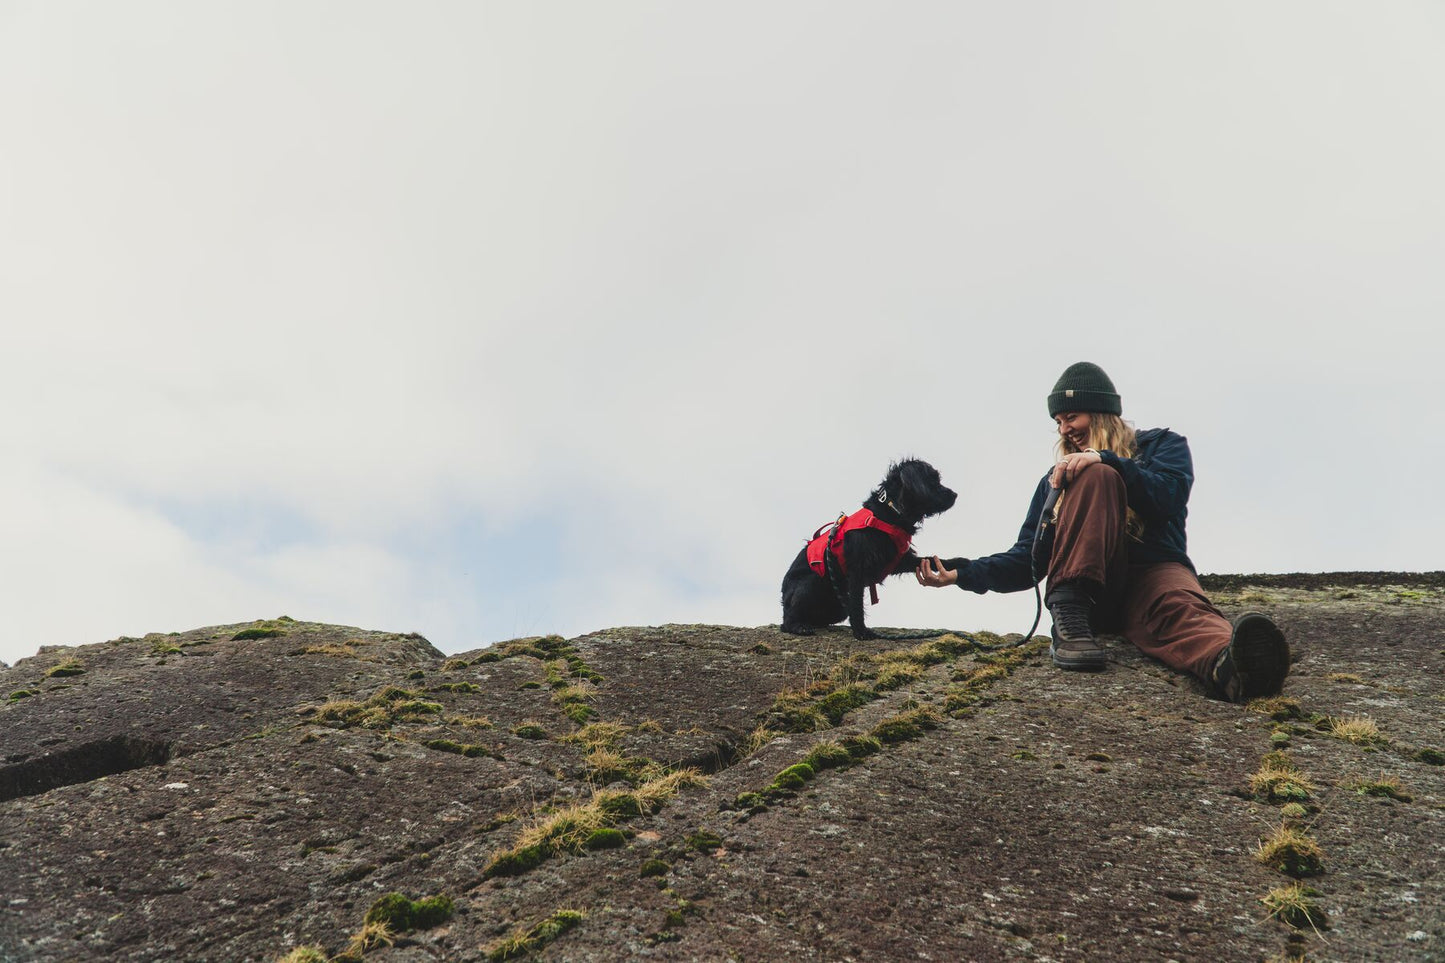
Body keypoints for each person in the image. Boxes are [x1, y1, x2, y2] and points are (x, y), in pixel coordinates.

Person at [915, 361, 1288, 703]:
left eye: (1071, 417)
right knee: (1094, 475)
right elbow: (1028, 557)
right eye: (1058, 422)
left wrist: (1107, 459)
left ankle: (1233, 666)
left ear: (1100, 412)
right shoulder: (1057, 480)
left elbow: (1168, 498)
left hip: (1153, 571)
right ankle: (1069, 614)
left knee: (1182, 608)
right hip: (1091, 592)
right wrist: (961, 574)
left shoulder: (1161, 446)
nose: (1065, 430)